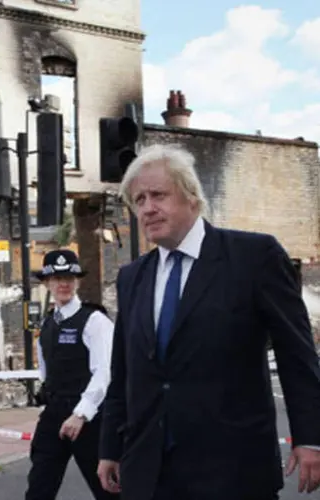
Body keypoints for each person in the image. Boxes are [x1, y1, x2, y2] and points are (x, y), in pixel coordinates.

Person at [97, 144, 320, 500]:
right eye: (139, 200)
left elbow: (297, 354)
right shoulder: (132, 277)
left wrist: (310, 438)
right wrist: (109, 447)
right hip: (149, 473)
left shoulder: (254, 258)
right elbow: (124, 369)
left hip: (232, 471)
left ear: (192, 197)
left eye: (158, 195)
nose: (147, 208)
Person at [25, 249, 118, 500]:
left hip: (90, 418)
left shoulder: (94, 321)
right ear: (46, 283)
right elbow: (46, 369)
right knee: (38, 487)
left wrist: (80, 414)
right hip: (55, 413)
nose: (63, 284)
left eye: (69, 278)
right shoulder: (47, 323)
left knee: (107, 489)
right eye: (56, 278)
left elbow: (105, 371)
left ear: (77, 281)